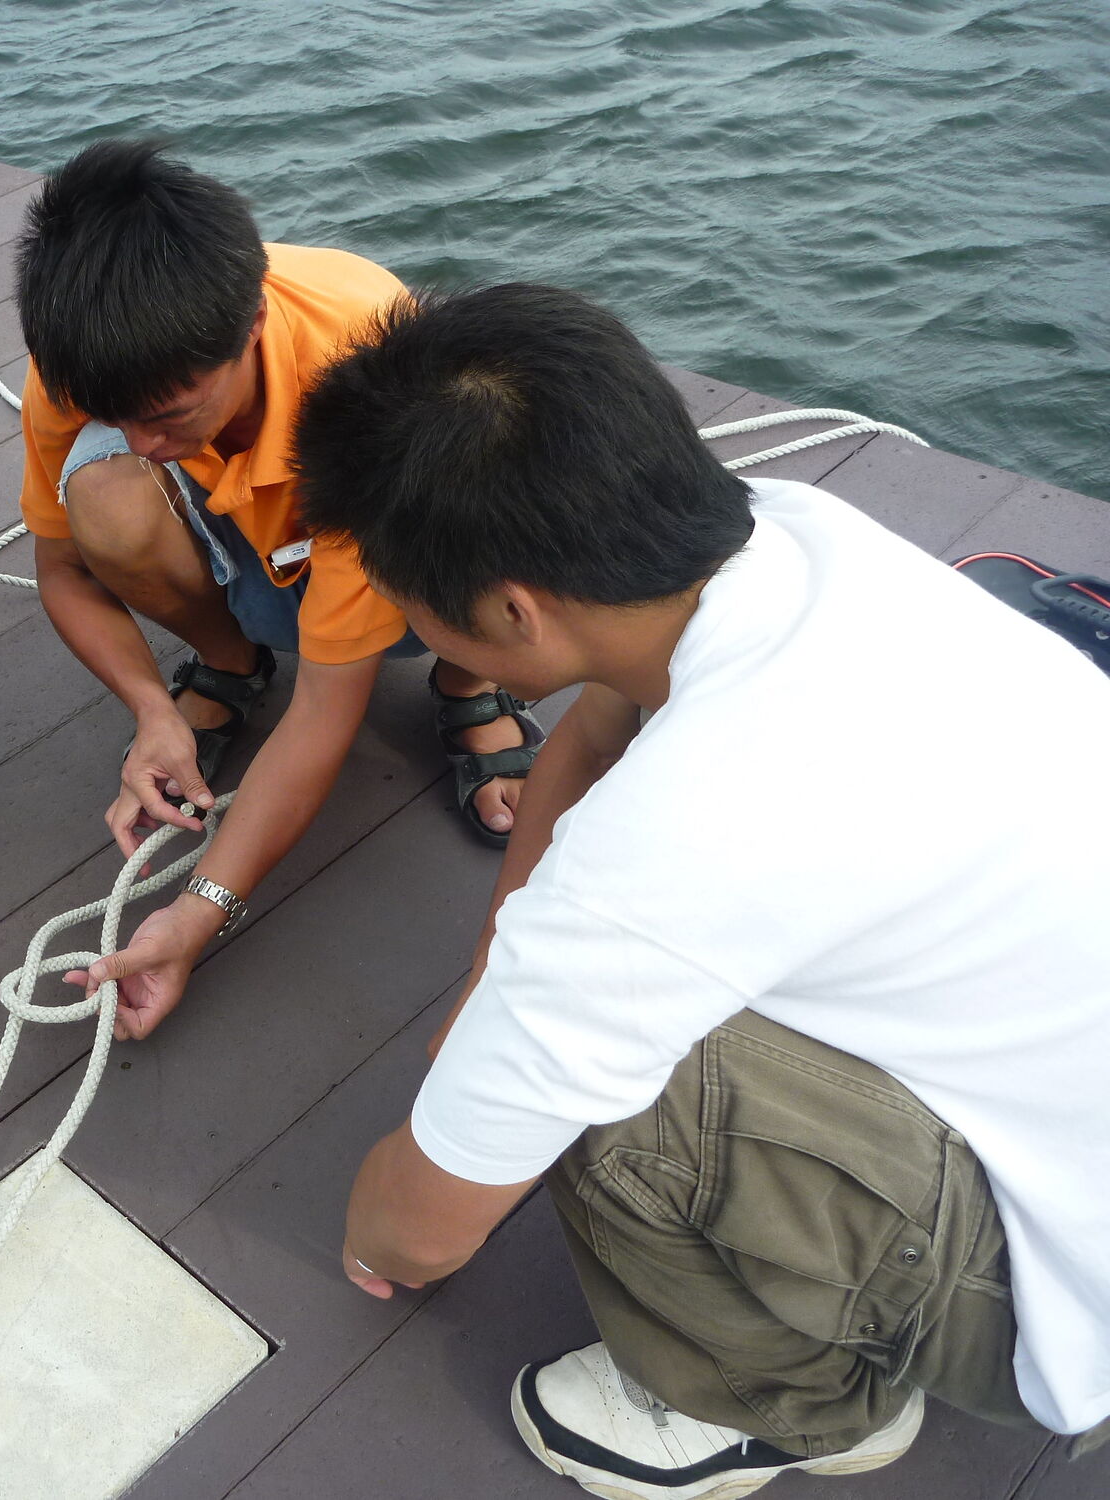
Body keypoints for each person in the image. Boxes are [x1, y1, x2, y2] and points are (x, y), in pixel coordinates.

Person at [294, 284, 1110, 1498]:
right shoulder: (790, 535)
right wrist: (487, 976)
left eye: (396, 590)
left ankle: (794, 1406)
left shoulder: (656, 863)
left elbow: (415, 1231)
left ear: (509, 610)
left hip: (1058, 1297)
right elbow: (596, 729)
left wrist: (383, 1219)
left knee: (621, 1099)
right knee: (553, 1016)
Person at [15, 141, 545, 1042]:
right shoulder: (84, 356)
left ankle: (467, 678)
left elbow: (327, 710)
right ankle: (229, 664)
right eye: (115, 417)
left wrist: (197, 914)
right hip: (266, 525)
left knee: (482, 519)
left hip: (376, 494)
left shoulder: (372, 370)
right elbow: (61, 567)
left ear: (254, 320)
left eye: (169, 414)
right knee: (104, 500)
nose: (141, 445)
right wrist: (149, 706)